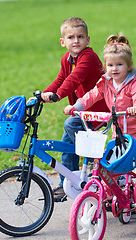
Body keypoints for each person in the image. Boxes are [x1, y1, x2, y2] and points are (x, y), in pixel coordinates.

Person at [63, 34, 136, 210]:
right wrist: (77, 106)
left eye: (119, 64)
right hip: (118, 130)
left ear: (128, 66)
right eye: (110, 65)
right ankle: (109, 191)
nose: (114, 69)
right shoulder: (105, 81)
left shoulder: (135, 81)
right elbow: (91, 96)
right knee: (110, 163)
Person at [40, 17, 108, 201]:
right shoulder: (67, 59)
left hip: (97, 111)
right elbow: (61, 79)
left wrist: (58, 95)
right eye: (71, 37)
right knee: (66, 146)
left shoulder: (89, 57)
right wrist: (45, 94)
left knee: (71, 125)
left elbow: (74, 79)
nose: (76, 41)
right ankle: (67, 184)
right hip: (82, 111)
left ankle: (96, 163)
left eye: (80, 36)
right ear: (63, 42)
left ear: (88, 40)